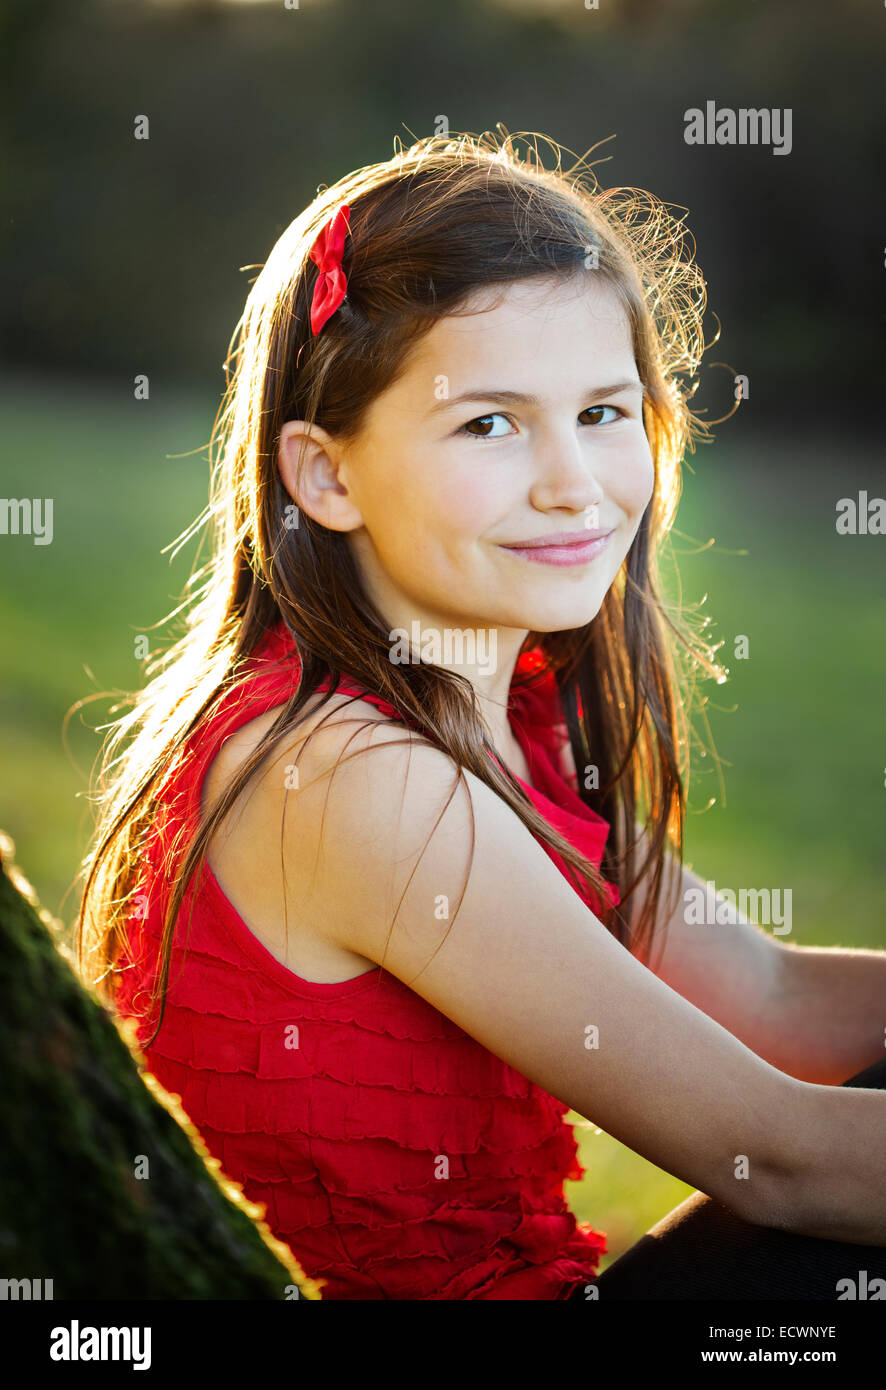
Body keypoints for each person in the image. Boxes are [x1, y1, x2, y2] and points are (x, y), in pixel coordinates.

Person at [76, 128, 886, 1300]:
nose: (573, 480)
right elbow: (784, 1161)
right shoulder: (350, 773)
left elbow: (768, 995)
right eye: (489, 423)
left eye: (604, 413)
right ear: (327, 475)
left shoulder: (509, 717)